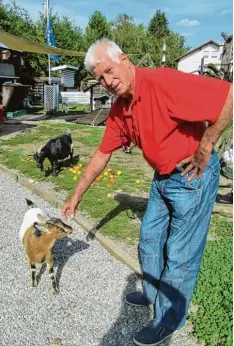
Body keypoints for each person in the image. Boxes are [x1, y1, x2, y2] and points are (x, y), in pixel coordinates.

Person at [62, 39, 233, 346]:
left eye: (110, 71)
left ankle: (169, 320)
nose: (107, 82)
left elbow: (229, 96)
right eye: (100, 78)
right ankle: (153, 293)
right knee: (150, 240)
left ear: (125, 60)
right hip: (162, 179)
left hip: (192, 177)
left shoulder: (161, 82)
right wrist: (76, 197)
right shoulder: (119, 109)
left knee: (180, 255)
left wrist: (207, 142)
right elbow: (101, 156)